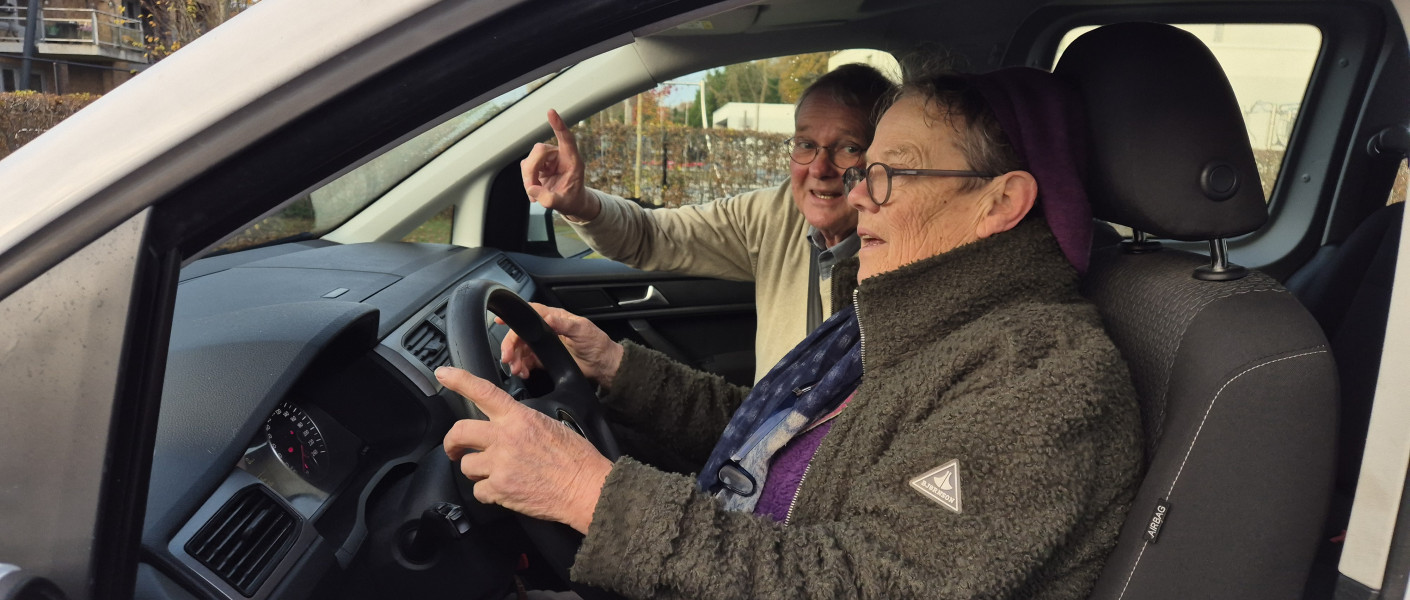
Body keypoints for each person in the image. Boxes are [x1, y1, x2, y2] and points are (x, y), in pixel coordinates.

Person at [446, 66, 1145, 599]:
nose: (857, 192)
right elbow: (779, 434)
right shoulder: (913, 317)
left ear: (1001, 202)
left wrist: (587, 493)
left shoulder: (1044, 378)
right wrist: (616, 368)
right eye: (864, 170)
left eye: (886, 171)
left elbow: (866, 582)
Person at [521, 64, 895, 382]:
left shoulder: (905, 255)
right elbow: (651, 235)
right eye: (805, 144)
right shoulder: (774, 213)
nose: (819, 167)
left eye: (848, 148)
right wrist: (580, 203)